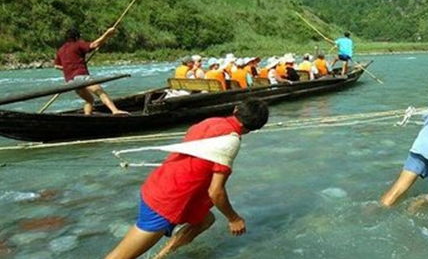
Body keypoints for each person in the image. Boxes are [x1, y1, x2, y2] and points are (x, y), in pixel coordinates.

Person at [104, 99, 270, 259]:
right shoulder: (230, 142)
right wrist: (234, 218)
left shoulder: (211, 121)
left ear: (235, 109)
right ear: (255, 128)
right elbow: (216, 192)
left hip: (161, 183)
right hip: (166, 200)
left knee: (205, 220)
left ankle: (162, 256)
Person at [54, 27, 128, 115]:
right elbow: (93, 45)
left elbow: (56, 66)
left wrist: (69, 67)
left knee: (89, 100)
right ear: (76, 37)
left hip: (70, 81)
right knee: (100, 92)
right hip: (81, 76)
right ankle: (115, 111)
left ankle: (87, 115)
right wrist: (107, 34)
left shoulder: (61, 50)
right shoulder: (77, 44)